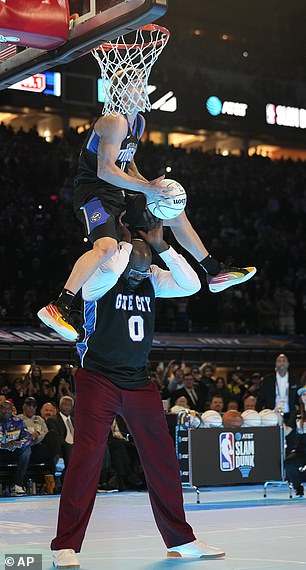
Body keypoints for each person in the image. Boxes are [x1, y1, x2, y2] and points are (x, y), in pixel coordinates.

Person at [50, 216, 225, 568]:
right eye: (135, 270)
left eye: (146, 271)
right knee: (87, 459)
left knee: (163, 459)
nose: (140, 277)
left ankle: (181, 540)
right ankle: (65, 545)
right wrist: (123, 240)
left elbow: (191, 285)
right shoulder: (99, 281)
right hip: (97, 377)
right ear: (122, 259)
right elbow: (115, 265)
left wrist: (163, 247)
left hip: (137, 381)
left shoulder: (148, 278)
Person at [37, 73, 256, 342]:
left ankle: (214, 271)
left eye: (143, 84)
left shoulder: (138, 122)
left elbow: (127, 164)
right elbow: (105, 171)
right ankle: (60, 306)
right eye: (136, 85)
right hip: (94, 193)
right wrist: (145, 189)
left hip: (119, 191)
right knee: (105, 248)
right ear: (120, 92)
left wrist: (149, 185)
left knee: (172, 208)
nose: (143, 89)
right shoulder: (114, 122)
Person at [0, 400, 32, 496]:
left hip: (13, 452)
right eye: (3, 408)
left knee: (27, 450)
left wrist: (19, 443)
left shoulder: (18, 422)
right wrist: (2, 445)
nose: (6, 411)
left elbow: (28, 437)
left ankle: (18, 485)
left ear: (12, 410)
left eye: (8, 409)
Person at [284, 385, 306, 497]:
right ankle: (298, 488)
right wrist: (278, 418)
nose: (305, 396)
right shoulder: (297, 414)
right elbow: (287, 431)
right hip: (301, 450)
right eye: (303, 394)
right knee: (288, 464)